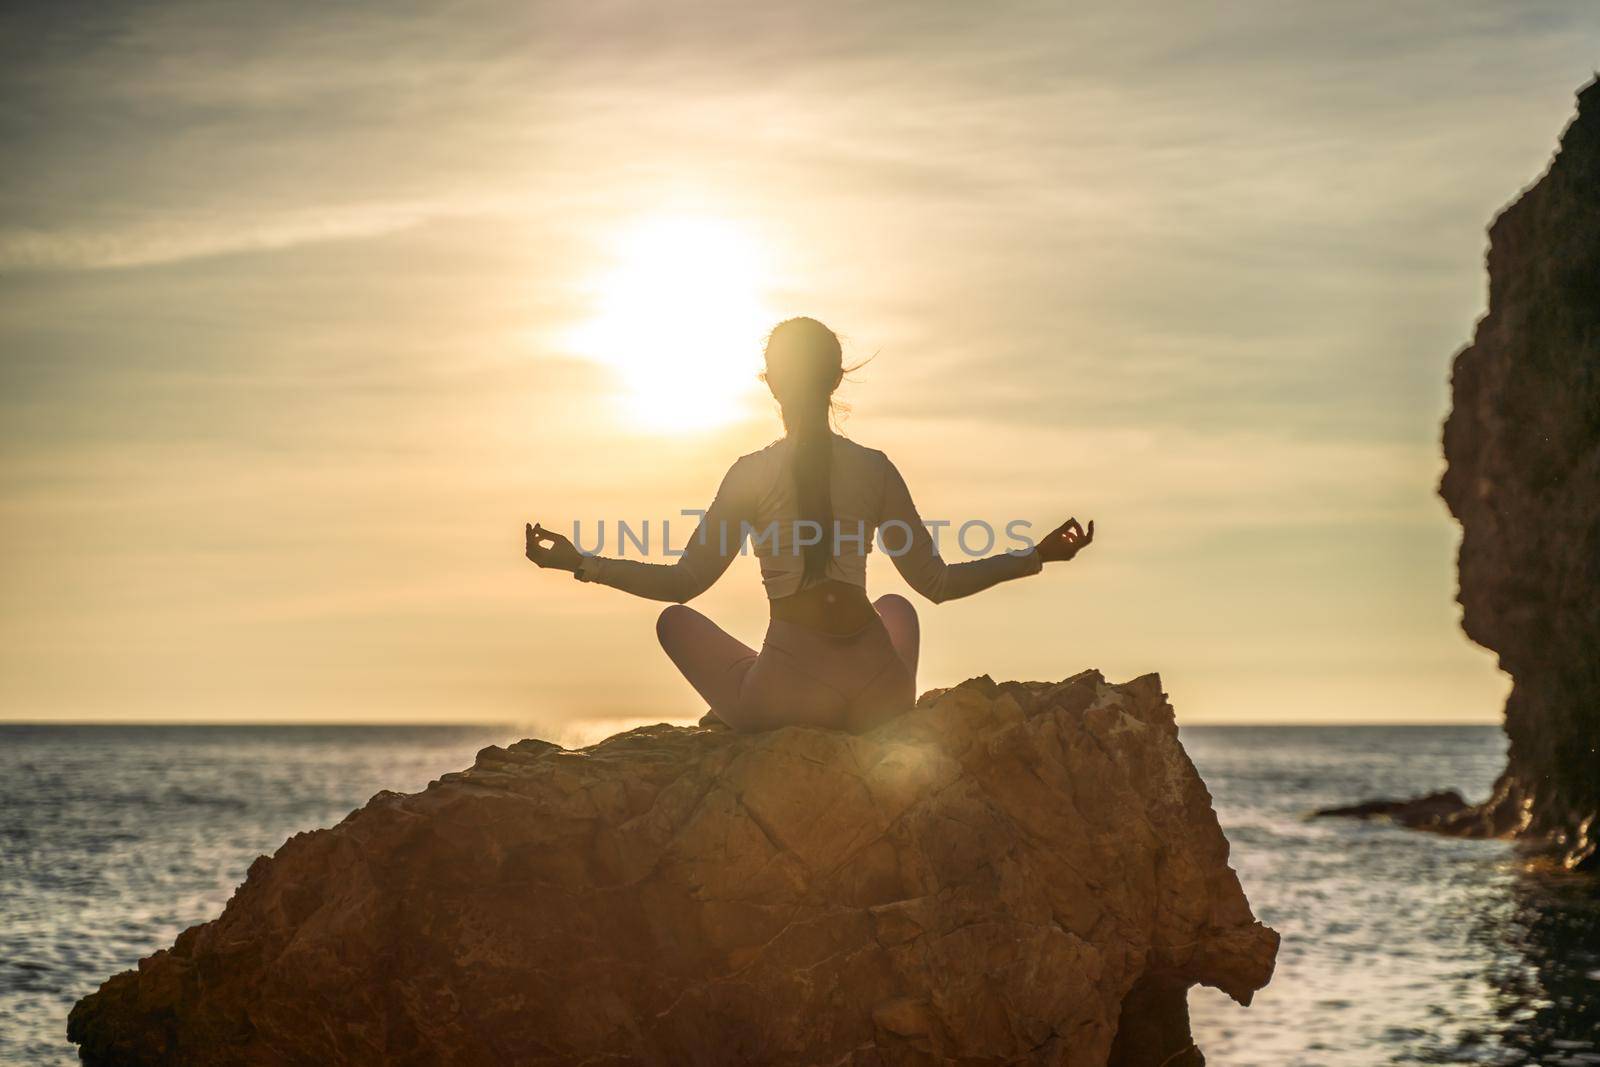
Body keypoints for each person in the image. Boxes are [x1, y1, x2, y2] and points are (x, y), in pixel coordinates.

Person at [525, 317, 1094, 733]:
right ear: (837, 380)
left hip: (789, 697)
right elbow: (937, 584)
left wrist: (581, 563)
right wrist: (1036, 555)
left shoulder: (751, 474)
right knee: (897, 606)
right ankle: (797, 686)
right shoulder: (875, 469)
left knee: (675, 621)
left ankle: (742, 695)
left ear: (770, 381)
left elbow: (682, 584)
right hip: (879, 695)